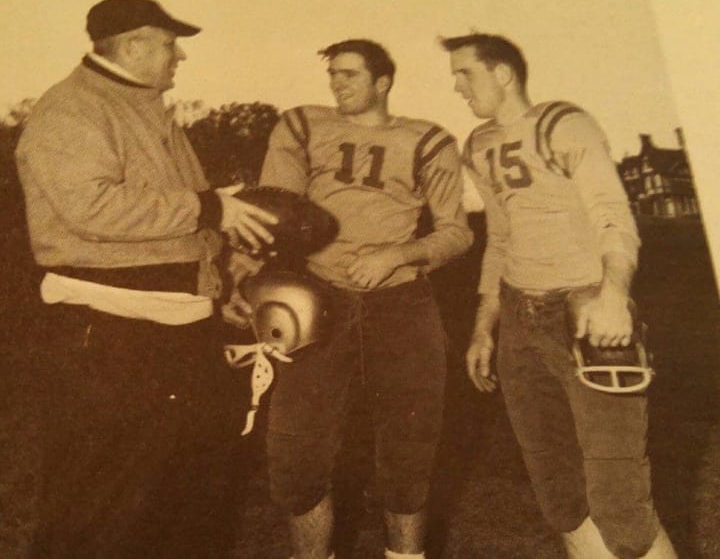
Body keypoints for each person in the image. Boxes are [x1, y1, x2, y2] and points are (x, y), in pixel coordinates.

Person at [15, 0, 278, 558]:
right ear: (133, 46)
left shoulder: (146, 110)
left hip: (178, 334)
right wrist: (209, 208)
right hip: (110, 337)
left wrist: (221, 288)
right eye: (168, 43)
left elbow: (188, 221)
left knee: (185, 496)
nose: (178, 55)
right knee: (96, 502)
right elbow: (90, 208)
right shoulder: (72, 109)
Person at [441, 33, 676, 558]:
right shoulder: (478, 145)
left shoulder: (563, 124)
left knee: (621, 505)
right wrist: (484, 325)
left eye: (465, 73)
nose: (456, 86)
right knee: (560, 494)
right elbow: (498, 239)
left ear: (502, 74)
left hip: (585, 312)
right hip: (520, 320)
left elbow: (613, 214)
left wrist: (614, 293)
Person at [252, 39, 473, 559]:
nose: (338, 84)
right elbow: (275, 211)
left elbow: (456, 232)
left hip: (398, 301)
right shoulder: (304, 126)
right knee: (298, 452)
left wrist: (398, 253)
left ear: (383, 82)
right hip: (317, 300)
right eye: (334, 75)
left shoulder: (427, 139)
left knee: (409, 448)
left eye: (350, 75)